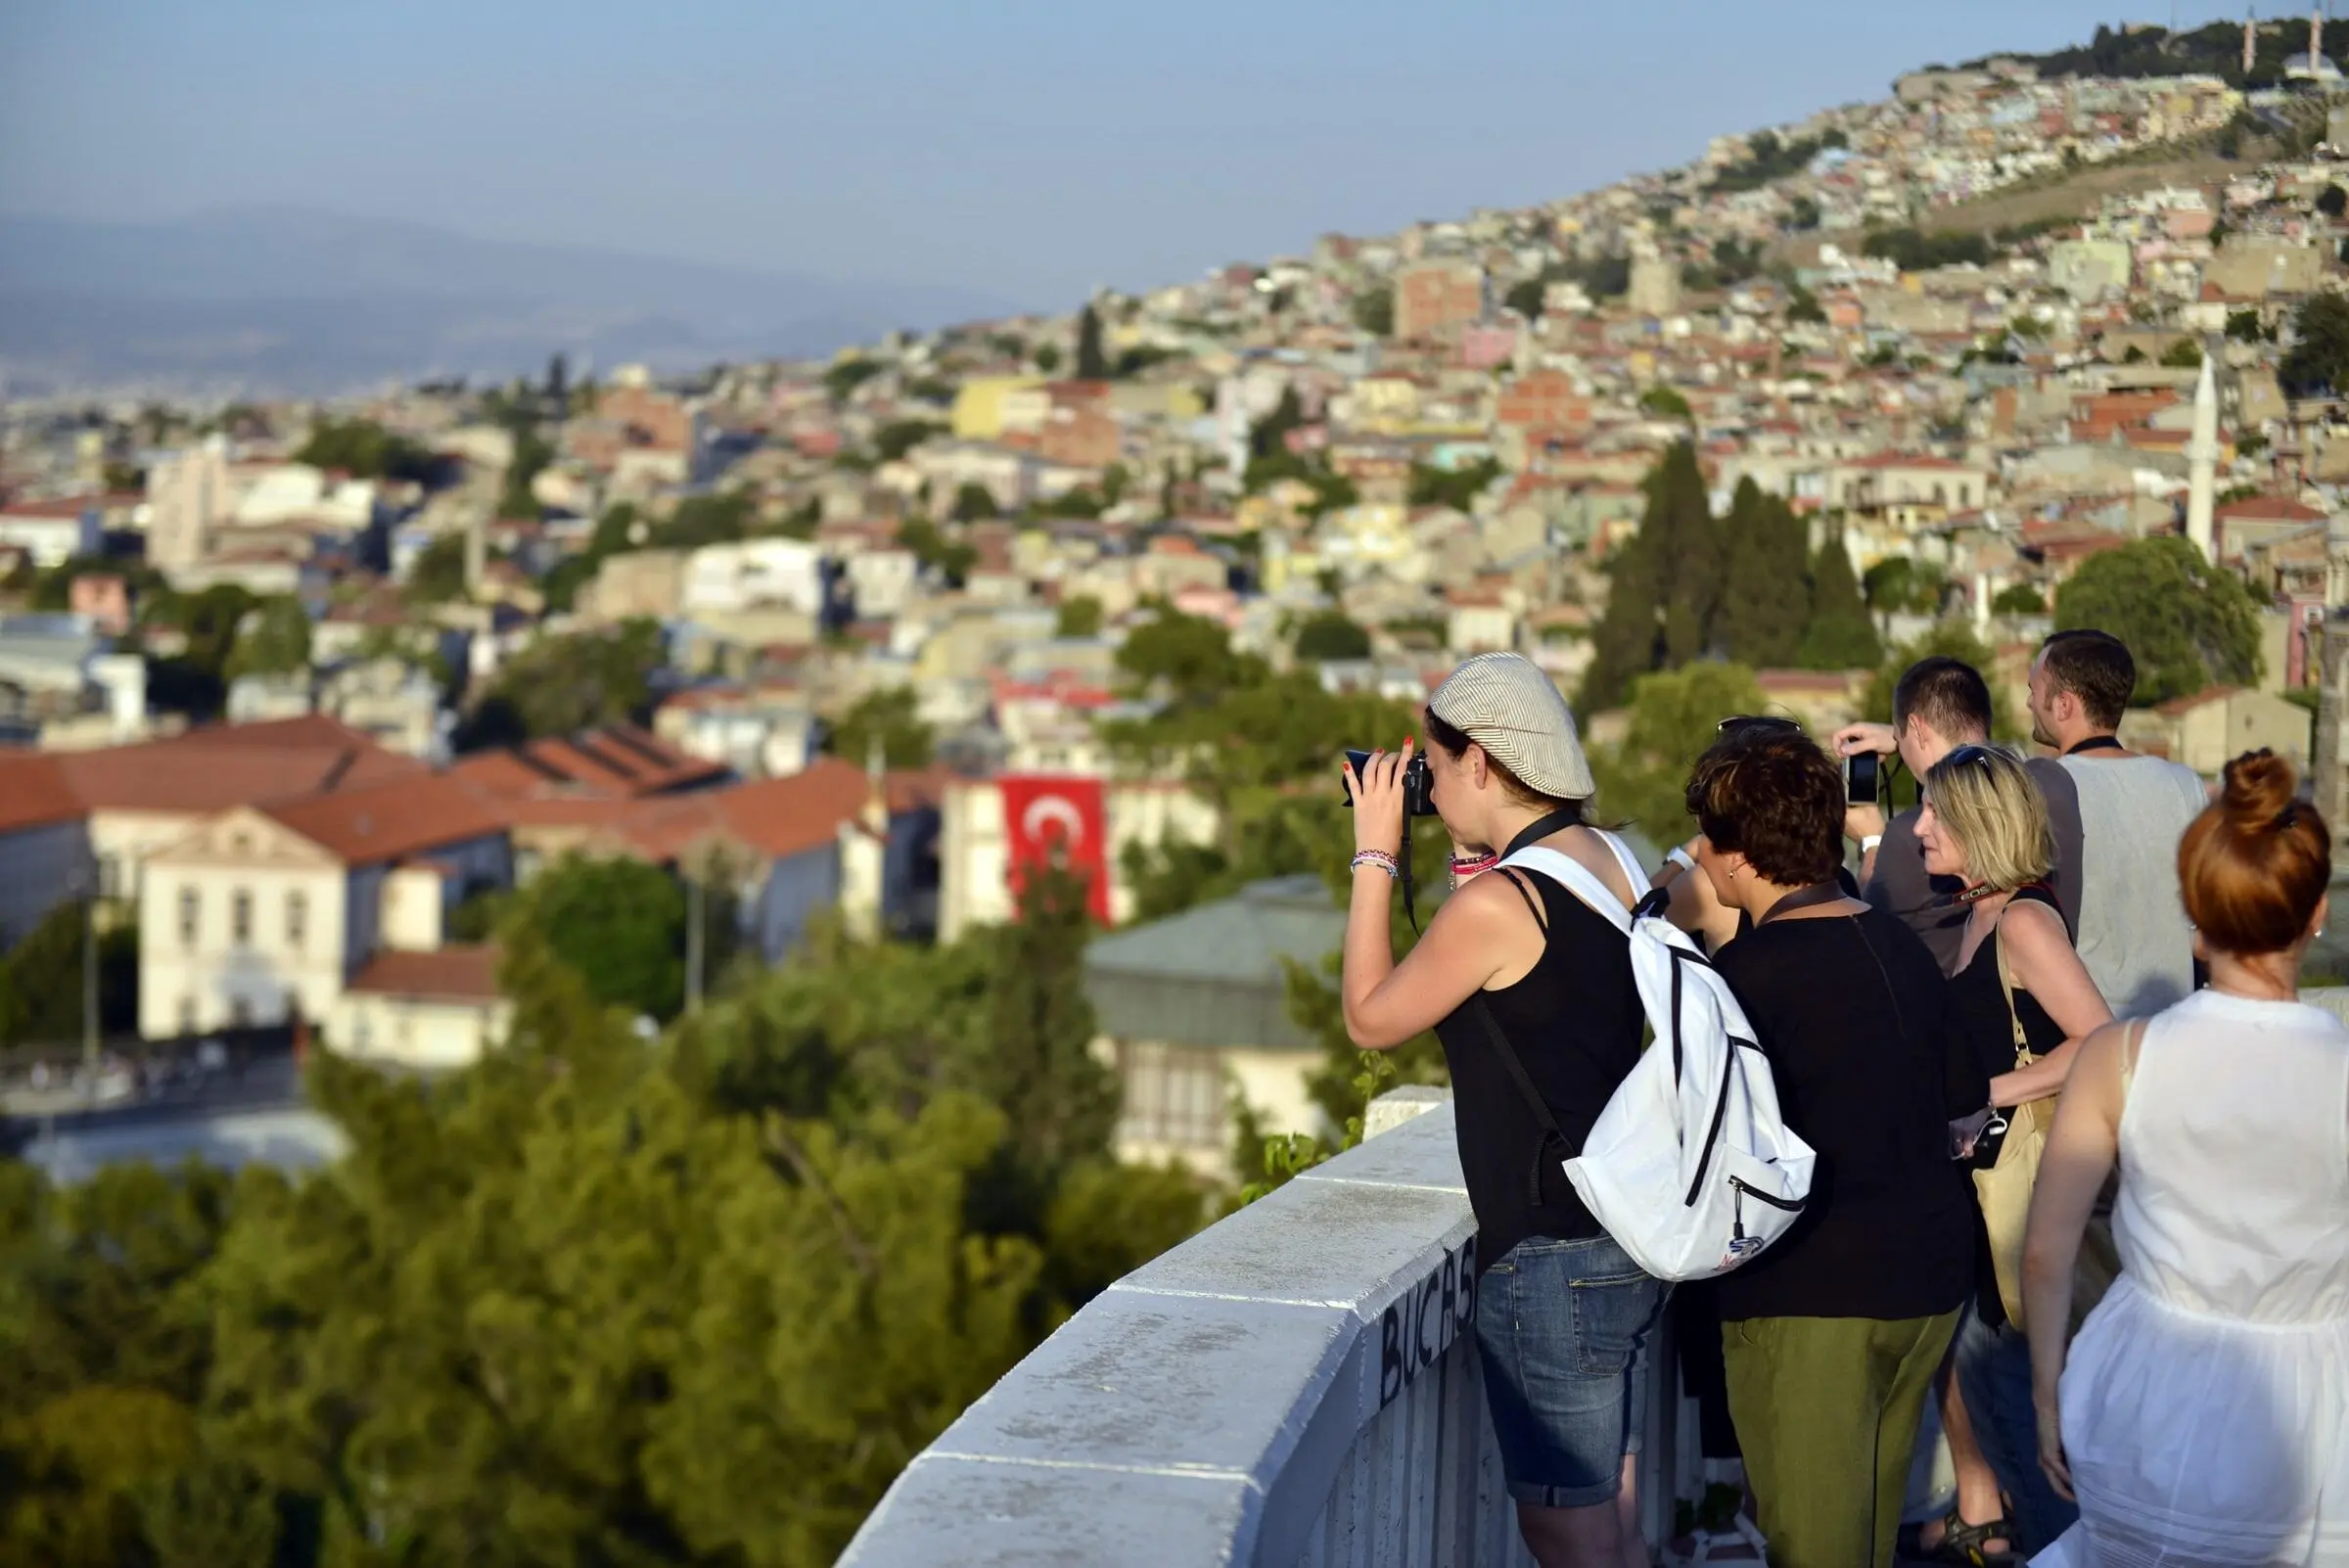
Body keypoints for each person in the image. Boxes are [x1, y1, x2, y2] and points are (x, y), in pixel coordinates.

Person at [1340, 651, 1663, 1568]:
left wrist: (1375, 855)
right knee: (1616, 1523)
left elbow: (1371, 1017)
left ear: (1481, 761)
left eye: (1435, 773)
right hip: (1621, 1230)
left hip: (1547, 1257)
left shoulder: (1503, 906)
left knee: (1568, 1535)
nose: (1430, 795)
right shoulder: (1608, 862)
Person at [2024, 750, 2349, 1567]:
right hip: (2316, 1425)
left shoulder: (2119, 1056)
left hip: (2150, 1403)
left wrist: (2045, 1392)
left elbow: (2045, 1253)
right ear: (2315, 916)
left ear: (2196, 923)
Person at [1678, 725, 1985, 1568]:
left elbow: (1696, 1135)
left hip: (1815, 1297)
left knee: (1813, 1548)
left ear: (1739, 860)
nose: (1702, 855)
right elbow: (1964, 1101)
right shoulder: (1898, 944)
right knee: (1867, 1544)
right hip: (1925, 1285)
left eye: (1710, 839)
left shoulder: (1746, 977)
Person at [1912, 743, 2115, 1558]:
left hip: (2022, 1210)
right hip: (1990, 1211)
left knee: (2027, 1430)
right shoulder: (1979, 916)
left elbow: (2098, 1038)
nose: (1919, 828)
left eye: (1935, 813)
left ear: (1979, 824)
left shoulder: (2024, 920)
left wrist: (1985, 1096)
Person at [1833, 657, 2083, 971]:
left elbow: (1866, 937)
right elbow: (1993, 763)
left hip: (1953, 1012)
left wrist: (1870, 840)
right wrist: (1904, 733)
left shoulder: (1910, 835)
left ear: (1917, 727)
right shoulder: (2055, 786)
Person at [2025, 629, 2208, 1018]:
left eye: (2033, 690)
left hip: (2083, 1030)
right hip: (2171, 1025)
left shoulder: (2043, 787)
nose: (2028, 702)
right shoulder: (2185, 784)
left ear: (2063, 705)